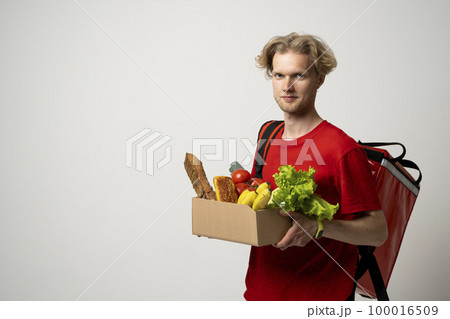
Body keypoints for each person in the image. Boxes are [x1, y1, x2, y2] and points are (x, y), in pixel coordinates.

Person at [243, 32, 388, 301]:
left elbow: (378, 231)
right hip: (260, 295)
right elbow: (258, 207)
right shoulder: (267, 136)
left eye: (299, 75)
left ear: (319, 79)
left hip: (320, 300)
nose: (287, 86)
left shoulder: (341, 149)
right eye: (278, 75)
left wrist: (319, 226)